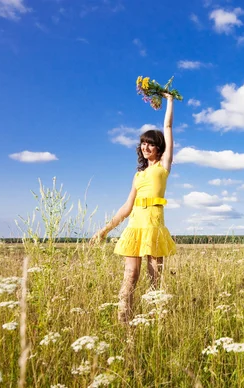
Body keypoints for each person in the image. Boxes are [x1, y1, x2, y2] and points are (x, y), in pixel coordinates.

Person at [91, 93, 177, 324]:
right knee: (130, 276)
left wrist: (169, 100)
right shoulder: (138, 175)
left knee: (155, 279)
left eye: (150, 143)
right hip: (135, 227)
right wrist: (104, 230)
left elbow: (167, 126)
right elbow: (126, 207)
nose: (146, 146)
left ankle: (154, 319)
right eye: (143, 143)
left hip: (154, 227)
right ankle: (122, 320)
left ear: (159, 148)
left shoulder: (164, 166)